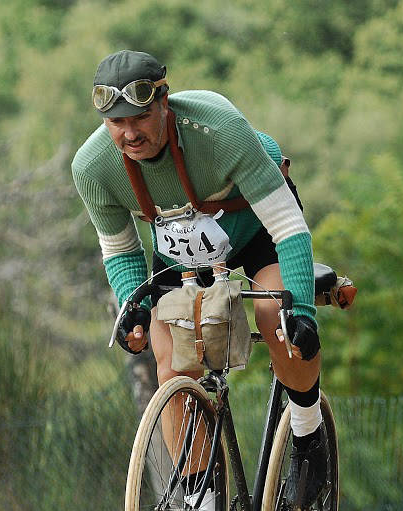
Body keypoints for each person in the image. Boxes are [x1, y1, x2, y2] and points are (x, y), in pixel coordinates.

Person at [72, 50, 326, 508]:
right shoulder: (92, 168)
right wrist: (136, 308)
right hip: (181, 252)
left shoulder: (221, 131)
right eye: (116, 123)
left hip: (257, 230)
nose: (130, 133)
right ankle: (200, 495)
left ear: (164, 101)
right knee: (168, 356)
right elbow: (122, 251)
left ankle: (308, 435)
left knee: (275, 315)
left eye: (142, 116)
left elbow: (289, 229)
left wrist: (302, 311)